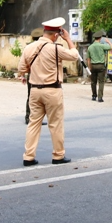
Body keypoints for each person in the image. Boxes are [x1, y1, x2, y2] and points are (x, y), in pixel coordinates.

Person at [18, 17, 80, 166]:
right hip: (52, 91)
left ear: (45, 32)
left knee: (33, 124)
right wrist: (69, 39)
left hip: (34, 91)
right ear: (56, 34)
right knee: (55, 124)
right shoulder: (56, 48)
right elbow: (74, 56)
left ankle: (28, 156)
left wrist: (26, 75)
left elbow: (21, 69)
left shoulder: (29, 47)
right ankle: (58, 155)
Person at [24, 27, 47, 125]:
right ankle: (37, 118)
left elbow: (24, 62)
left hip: (31, 75)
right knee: (40, 98)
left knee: (30, 96)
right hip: (41, 75)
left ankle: (28, 117)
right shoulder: (45, 47)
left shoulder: (28, 47)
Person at [87, 30, 110, 102]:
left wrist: (89, 67)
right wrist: (108, 42)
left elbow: (88, 59)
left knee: (93, 82)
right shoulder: (102, 46)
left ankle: (94, 96)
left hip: (93, 66)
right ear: (100, 38)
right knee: (101, 82)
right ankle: (100, 98)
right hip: (101, 66)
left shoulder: (90, 47)